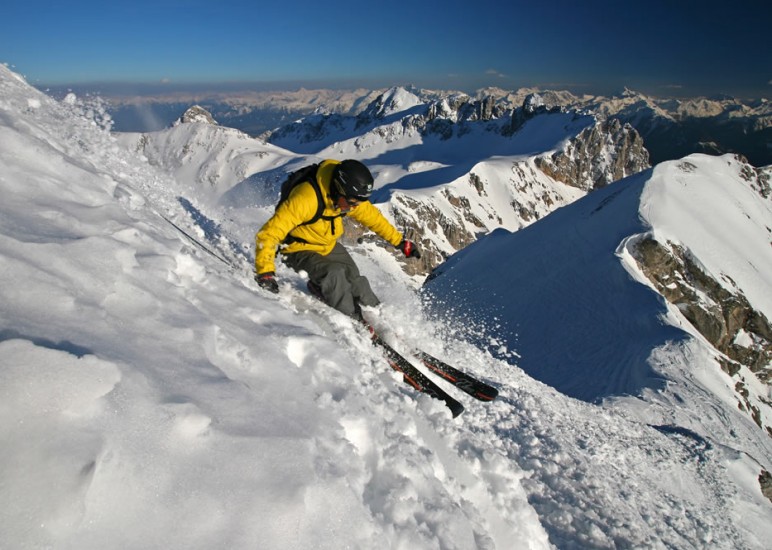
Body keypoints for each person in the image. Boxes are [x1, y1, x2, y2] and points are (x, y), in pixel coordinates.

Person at [254, 159, 422, 321]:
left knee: (356, 281)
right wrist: (265, 272)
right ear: (338, 189)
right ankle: (353, 319)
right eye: (352, 202)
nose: (354, 207)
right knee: (334, 275)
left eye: (357, 203)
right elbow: (269, 232)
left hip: (327, 245)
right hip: (297, 248)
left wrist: (400, 242)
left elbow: (373, 218)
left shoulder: (349, 197)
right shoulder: (306, 199)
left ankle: (379, 316)